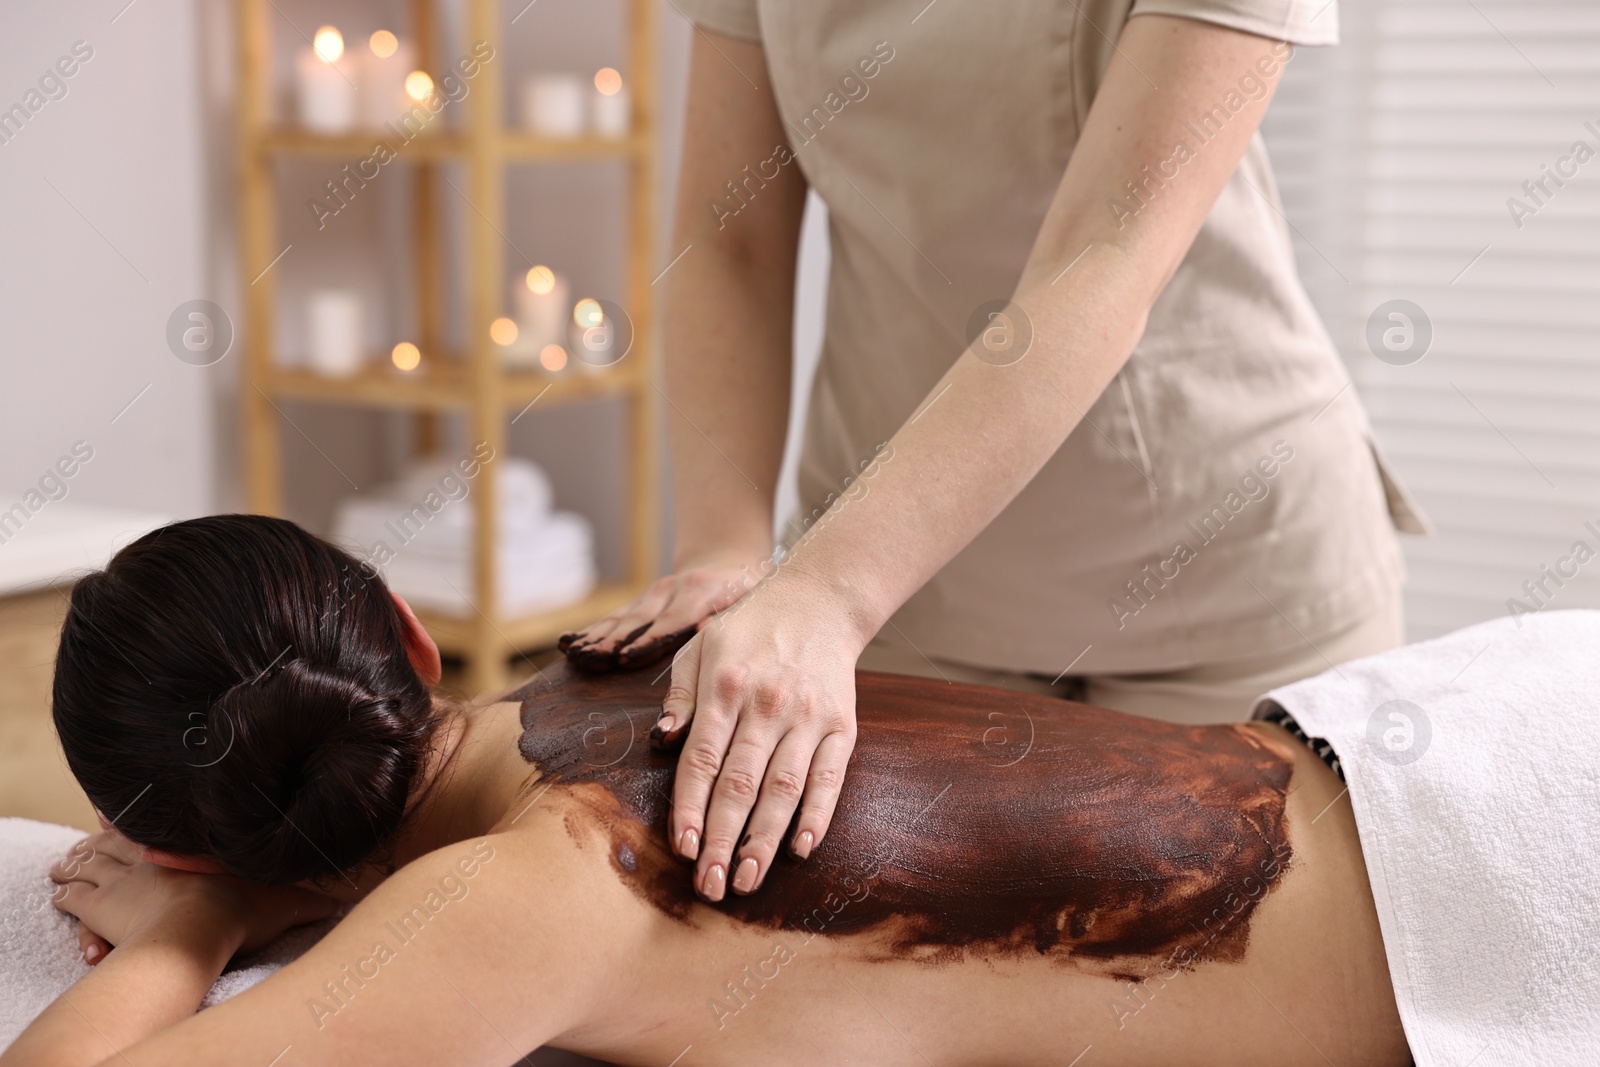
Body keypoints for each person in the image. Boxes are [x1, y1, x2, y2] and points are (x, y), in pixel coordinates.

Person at [559, 0, 1426, 907]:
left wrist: (823, 591)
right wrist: (723, 551)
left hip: (1220, 581)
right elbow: (729, 238)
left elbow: (1105, 252)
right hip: (907, 596)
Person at [8, 516, 1410, 1066]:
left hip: (1463, 944)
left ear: (178, 839)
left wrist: (195, 920)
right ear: (409, 630)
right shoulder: (658, 655)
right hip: (1424, 755)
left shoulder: (526, 892)